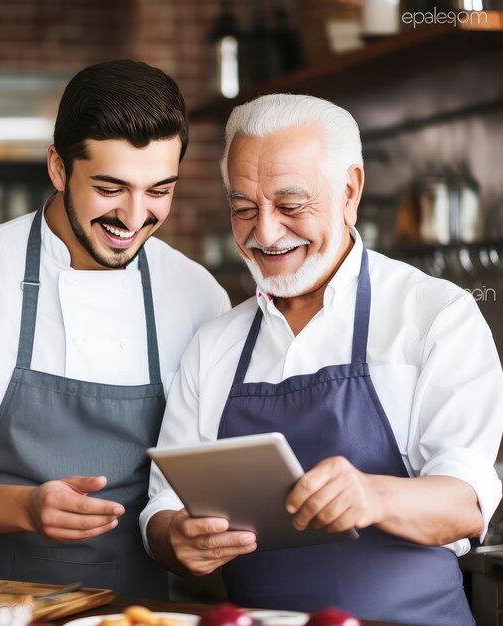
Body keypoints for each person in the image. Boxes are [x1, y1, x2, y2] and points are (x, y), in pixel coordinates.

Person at [142, 94, 503, 624]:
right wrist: (175, 538)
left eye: (290, 206)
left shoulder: (436, 315)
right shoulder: (214, 343)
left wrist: (374, 495)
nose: (264, 233)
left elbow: (466, 502)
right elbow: (161, 506)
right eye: (243, 208)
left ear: (350, 191)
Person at [0, 60, 230, 598]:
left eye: (159, 190)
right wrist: (24, 507)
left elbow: (190, 481)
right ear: (59, 168)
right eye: (111, 188)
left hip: (132, 611)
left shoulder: (198, 295)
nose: (135, 217)